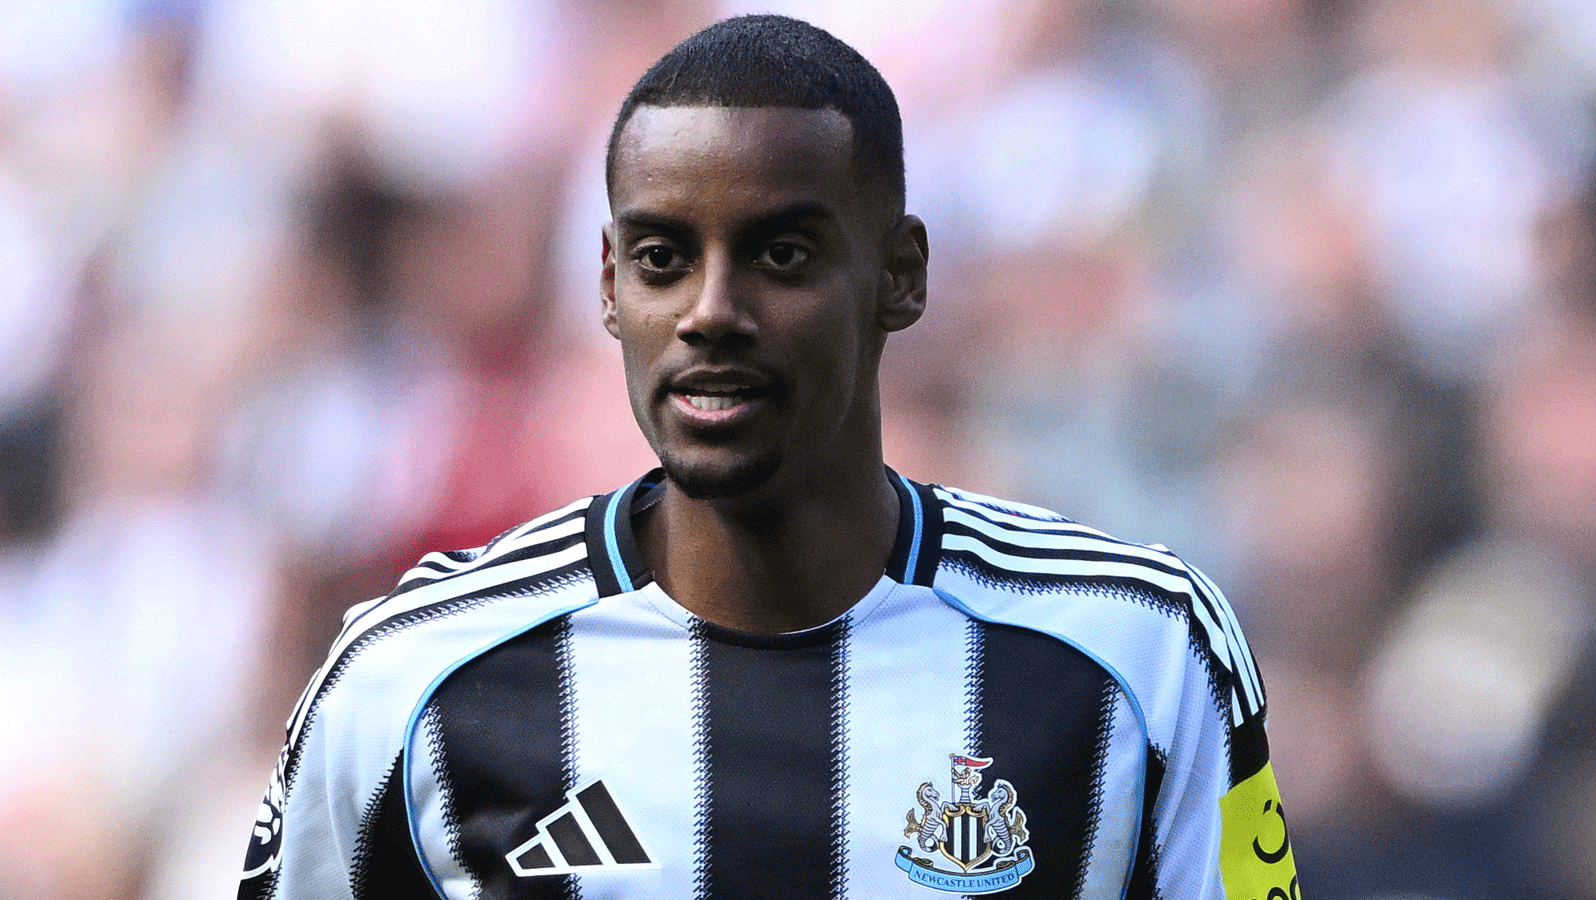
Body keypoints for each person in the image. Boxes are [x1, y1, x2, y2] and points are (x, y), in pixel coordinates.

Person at [238, 14, 1298, 900]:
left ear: (901, 275)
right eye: (661, 259)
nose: (710, 312)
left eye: (781, 254)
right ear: (608, 286)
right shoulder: (412, 680)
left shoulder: (1139, 651)